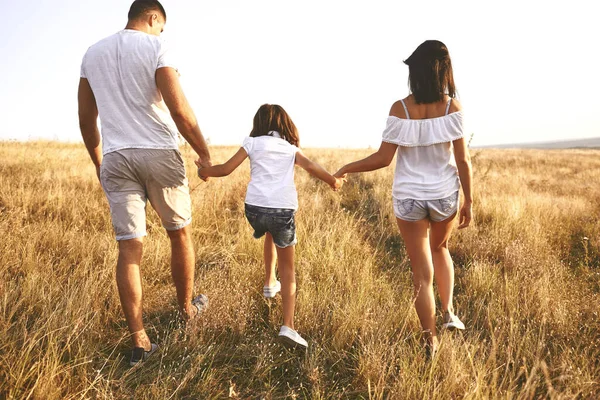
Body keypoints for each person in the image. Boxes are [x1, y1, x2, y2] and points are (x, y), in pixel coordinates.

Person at [77, 0, 212, 367]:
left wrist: (99, 163)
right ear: (153, 18)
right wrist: (204, 152)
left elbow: (87, 121)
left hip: (117, 157)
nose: (160, 32)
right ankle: (186, 311)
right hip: (159, 151)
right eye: (160, 26)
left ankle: (140, 341)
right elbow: (180, 110)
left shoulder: (92, 53)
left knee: (129, 249)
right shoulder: (157, 45)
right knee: (179, 232)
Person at [334, 40, 473, 357]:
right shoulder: (453, 107)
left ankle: (430, 341)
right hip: (443, 196)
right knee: (441, 248)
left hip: (409, 198)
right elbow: (463, 161)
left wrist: (347, 168)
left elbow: (383, 158)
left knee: (420, 274)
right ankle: (449, 312)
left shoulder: (401, 108)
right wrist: (469, 202)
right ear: (444, 70)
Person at [197, 104, 346, 348]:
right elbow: (312, 167)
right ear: (284, 124)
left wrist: (204, 171)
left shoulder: (252, 143)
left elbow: (225, 169)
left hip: (254, 210)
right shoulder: (289, 148)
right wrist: (334, 181)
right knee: (289, 270)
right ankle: (288, 326)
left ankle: (269, 283)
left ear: (260, 124)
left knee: (269, 233)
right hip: (281, 211)